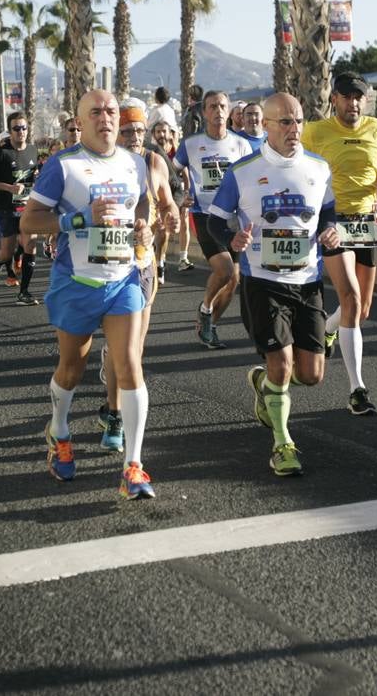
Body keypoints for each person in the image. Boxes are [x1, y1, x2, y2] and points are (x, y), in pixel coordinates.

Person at [21, 89, 157, 499]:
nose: (105, 118)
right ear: (81, 121)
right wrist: (79, 218)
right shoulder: (63, 165)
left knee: (129, 365)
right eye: (95, 112)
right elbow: (30, 220)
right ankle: (59, 429)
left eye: (111, 111)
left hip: (123, 278)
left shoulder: (136, 163)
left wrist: (144, 230)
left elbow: (142, 207)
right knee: (71, 369)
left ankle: (133, 465)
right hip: (76, 282)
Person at [208, 93, 339, 476]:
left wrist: (330, 231)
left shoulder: (318, 167)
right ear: (265, 125)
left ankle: (263, 381)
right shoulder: (243, 170)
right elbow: (216, 218)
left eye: (298, 121)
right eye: (285, 122)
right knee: (282, 363)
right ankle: (283, 444)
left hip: (307, 281)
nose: (294, 129)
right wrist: (231, 240)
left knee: (312, 374)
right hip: (262, 281)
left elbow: (329, 211)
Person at [301, 71, 377, 416]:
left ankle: (329, 329)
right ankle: (357, 388)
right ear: (334, 98)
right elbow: (296, 167)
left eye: (359, 97)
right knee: (348, 297)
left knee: (361, 309)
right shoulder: (315, 132)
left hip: (366, 221)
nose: (354, 103)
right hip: (333, 222)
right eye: (347, 97)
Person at [95, 102, 179, 453]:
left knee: (133, 349)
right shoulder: (99, 162)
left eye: (138, 132)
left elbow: (168, 201)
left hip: (141, 265)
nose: (132, 138)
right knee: (122, 350)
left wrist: (171, 216)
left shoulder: (153, 162)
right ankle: (114, 413)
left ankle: (115, 414)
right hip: (104, 264)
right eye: (126, 131)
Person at [173, 90, 255, 349]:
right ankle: (206, 309)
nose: (218, 111)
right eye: (212, 106)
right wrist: (180, 196)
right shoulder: (191, 144)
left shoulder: (241, 144)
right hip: (205, 216)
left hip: (233, 218)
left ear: (229, 111)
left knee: (233, 281)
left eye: (222, 106)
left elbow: (250, 178)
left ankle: (209, 324)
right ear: (205, 112)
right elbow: (169, 171)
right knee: (225, 270)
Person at [0, 111, 41, 305]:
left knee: (30, 245)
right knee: (7, 251)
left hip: (27, 207)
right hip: (5, 207)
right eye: (16, 128)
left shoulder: (32, 150)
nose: (21, 132)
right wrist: (9, 187)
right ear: (10, 131)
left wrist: (37, 178)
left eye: (23, 128)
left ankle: (24, 292)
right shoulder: (2, 153)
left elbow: (33, 174)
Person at [151, 120, 186, 284]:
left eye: (164, 131)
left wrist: (181, 199)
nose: (161, 135)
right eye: (158, 132)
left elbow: (181, 179)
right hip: (151, 199)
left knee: (163, 232)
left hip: (170, 195)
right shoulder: (148, 152)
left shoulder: (174, 153)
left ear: (170, 134)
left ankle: (160, 261)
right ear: (153, 135)